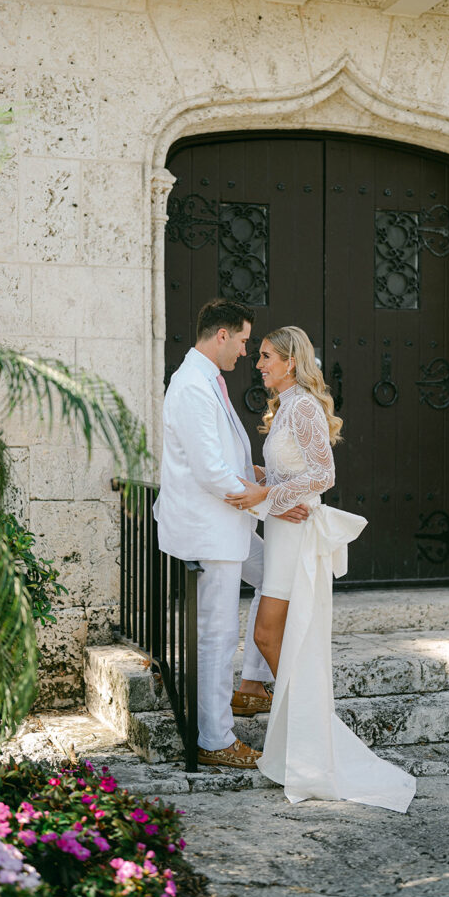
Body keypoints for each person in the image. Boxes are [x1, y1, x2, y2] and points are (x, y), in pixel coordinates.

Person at [225, 326, 416, 810]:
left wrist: (268, 495)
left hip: (298, 539)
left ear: (291, 361)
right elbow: (295, 475)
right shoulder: (285, 407)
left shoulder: (305, 406)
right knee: (276, 636)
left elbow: (323, 475)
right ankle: (306, 730)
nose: (259, 363)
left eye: (266, 356)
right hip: (284, 532)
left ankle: (311, 726)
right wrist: (262, 482)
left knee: (269, 635)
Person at [154, 300, 308, 769]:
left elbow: (228, 459)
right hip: (211, 530)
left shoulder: (207, 380)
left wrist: (262, 479)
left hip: (230, 524)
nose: (246, 351)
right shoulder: (190, 387)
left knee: (275, 576)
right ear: (221, 335)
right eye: (243, 340)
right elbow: (210, 471)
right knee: (218, 636)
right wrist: (271, 501)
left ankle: (250, 686)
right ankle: (215, 739)